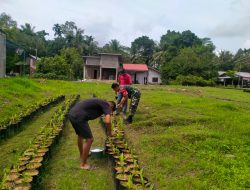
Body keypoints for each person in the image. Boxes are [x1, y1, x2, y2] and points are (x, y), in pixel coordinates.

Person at [69, 98, 116, 170]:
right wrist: (109, 132)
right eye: (110, 112)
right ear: (111, 108)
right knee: (89, 139)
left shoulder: (101, 102)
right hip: (79, 116)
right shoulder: (107, 105)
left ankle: (82, 155)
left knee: (80, 136)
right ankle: (83, 164)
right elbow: (108, 121)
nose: (109, 113)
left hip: (72, 114)